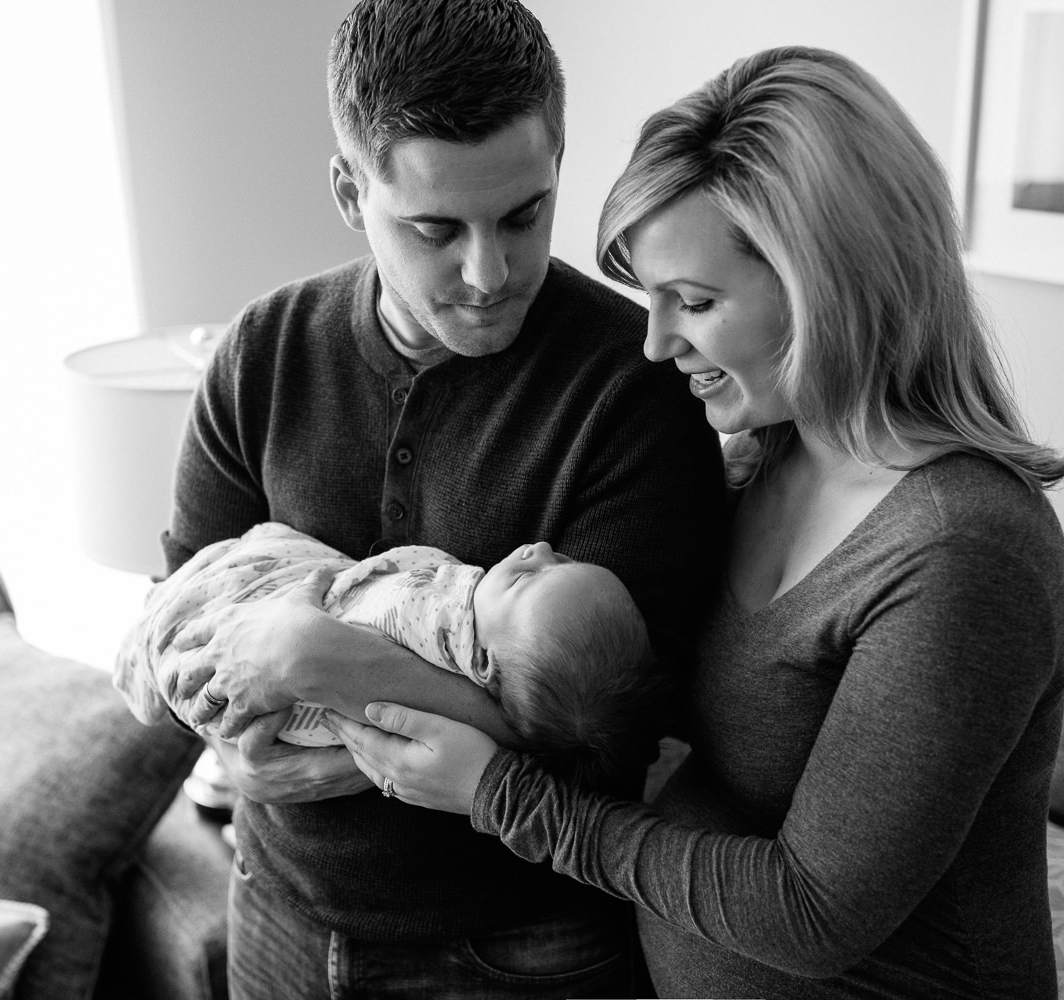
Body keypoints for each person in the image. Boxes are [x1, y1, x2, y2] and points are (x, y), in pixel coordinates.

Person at [320, 45, 1064, 1000]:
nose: (655, 340)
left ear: (829, 284)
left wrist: (496, 794)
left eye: (695, 302)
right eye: (651, 297)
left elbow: (811, 915)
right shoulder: (758, 465)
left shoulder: (962, 548)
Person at [111, 0, 724, 996]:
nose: (490, 273)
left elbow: (616, 730)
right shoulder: (263, 352)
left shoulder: (635, 387)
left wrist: (343, 668)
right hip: (281, 907)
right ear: (352, 192)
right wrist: (235, 742)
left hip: (524, 943)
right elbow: (180, 601)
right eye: (437, 228)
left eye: (525, 214)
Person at [116, 521, 663, 784]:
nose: (537, 549)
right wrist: (240, 770)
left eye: (527, 578)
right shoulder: (261, 349)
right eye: (561, 558)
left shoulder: (438, 614)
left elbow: (590, 734)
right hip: (277, 884)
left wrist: (310, 651)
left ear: (484, 665)